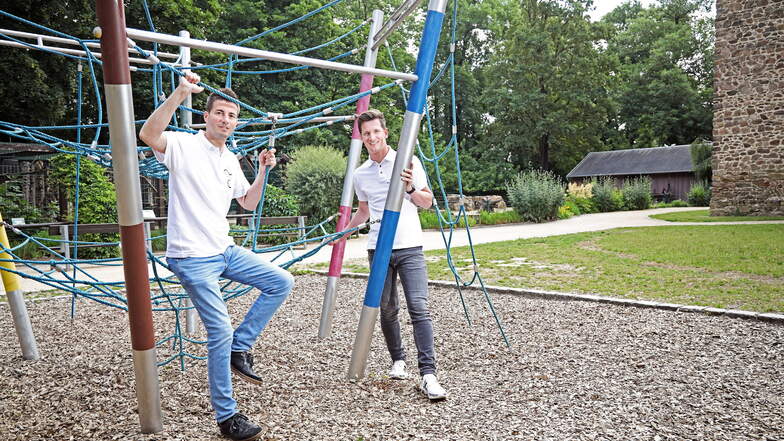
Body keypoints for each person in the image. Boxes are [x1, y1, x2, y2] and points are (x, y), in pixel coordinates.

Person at [139, 72, 293, 441]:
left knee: (281, 281)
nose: (226, 119)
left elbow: (248, 202)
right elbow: (148, 134)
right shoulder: (182, 145)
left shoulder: (231, 160)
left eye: (232, 115)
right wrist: (180, 93)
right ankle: (227, 417)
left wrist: (262, 171)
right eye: (220, 113)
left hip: (223, 250)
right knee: (219, 330)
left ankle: (241, 348)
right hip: (191, 256)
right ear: (206, 116)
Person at [337, 109, 447, 401]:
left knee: (419, 308)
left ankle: (429, 374)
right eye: (366, 133)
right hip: (378, 248)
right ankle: (398, 360)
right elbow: (363, 210)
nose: (372, 137)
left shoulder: (408, 161)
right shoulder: (361, 174)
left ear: (385, 132)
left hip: (409, 245)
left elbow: (427, 202)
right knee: (386, 308)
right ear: (362, 138)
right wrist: (344, 233)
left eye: (376, 131)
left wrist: (409, 187)